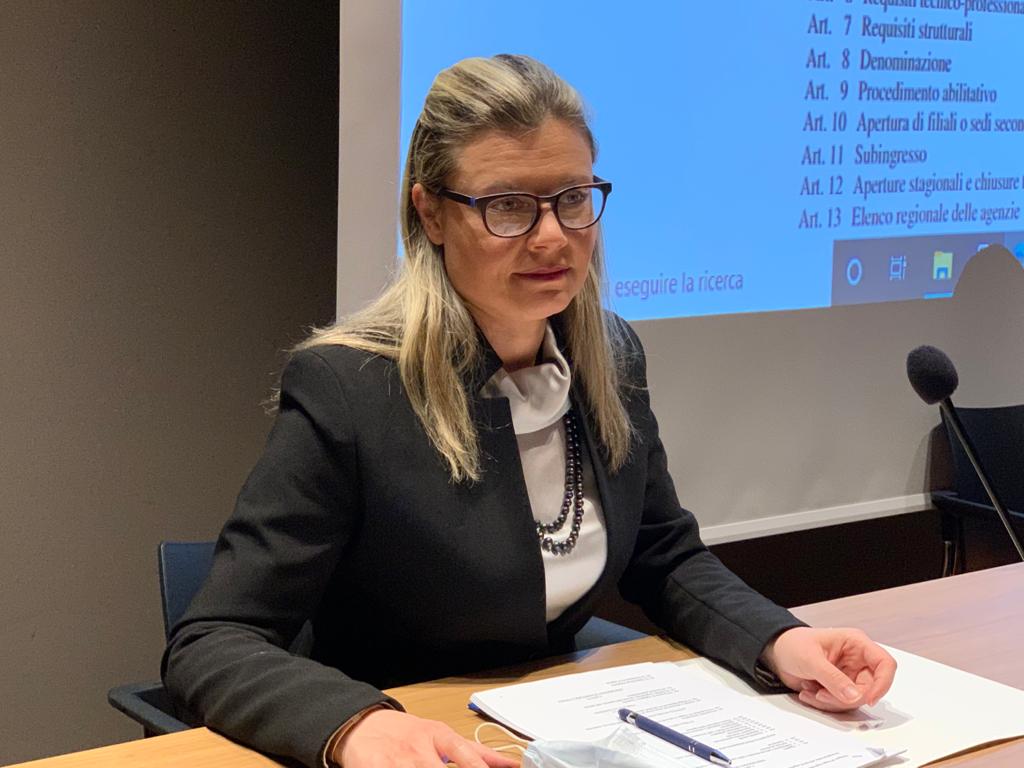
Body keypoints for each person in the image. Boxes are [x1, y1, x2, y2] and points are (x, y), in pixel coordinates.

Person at [162, 54, 896, 768]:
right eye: (507, 205)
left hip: (557, 726)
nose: (552, 237)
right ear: (431, 213)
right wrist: (356, 727)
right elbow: (214, 638)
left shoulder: (610, 355)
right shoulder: (349, 386)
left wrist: (778, 640)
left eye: (573, 198)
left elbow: (662, 554)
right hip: (417, 740)